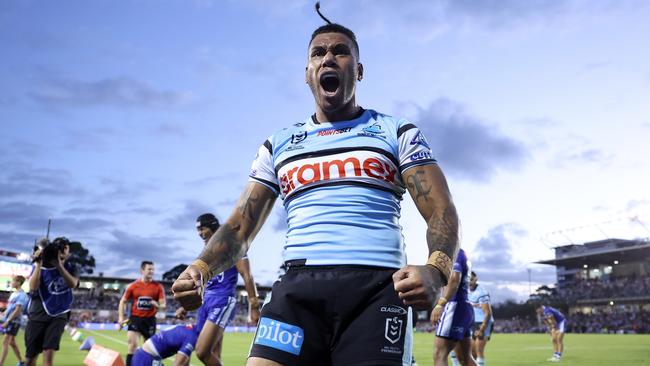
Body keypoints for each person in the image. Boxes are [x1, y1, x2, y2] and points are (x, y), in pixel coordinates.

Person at [172, 6, 460, 366]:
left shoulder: (397, 132)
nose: (329, 58)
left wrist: (436, 270)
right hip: (298, 289)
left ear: (359, 70)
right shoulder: (278, 144)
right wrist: (199, 269)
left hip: (376, 291)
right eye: (318, 53)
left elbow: (441, 210)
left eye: (340, 51)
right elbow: (239, 227)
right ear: (307, 74)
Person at [174, 213, 261, 366]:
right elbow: (203, 282)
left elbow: (247, 275)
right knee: (214, 353)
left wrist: (254, 306)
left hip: (222, 299)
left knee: (202, 351)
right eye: (198, 230)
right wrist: (185, 307)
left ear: (212, 227)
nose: (200, 233)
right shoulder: (206, 251)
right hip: (206, 301)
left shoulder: (232, 244)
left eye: (203, 229)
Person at [24, 237, 79, 366]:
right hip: (37, 314)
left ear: (68, 252)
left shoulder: (71, 267)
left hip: (59, 314)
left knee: (48, 356)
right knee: (30, 359)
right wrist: (38, 264)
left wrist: (59, 265)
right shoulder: (41, 266)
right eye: (60, 247)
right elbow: (33, 287)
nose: (63, 250)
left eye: (66, 247)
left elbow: (73, 284)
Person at [430, 249, 476, 366]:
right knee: (465, 358)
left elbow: (454, 279)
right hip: (465, 306)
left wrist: (441, 304)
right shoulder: (463, 253)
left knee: (440, 354)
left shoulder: (453, 252)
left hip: (454, 307)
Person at [119, 261, 166, 366]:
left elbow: (163, 305)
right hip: (135, 319)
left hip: (150, 320)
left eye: (153, 269)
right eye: (149, 269)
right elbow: (123, 301)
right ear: (142, 270)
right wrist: (121, 318)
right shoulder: (133, 286)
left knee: (149, 349)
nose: (152, 271)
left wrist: (156, 304)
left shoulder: (158, 287)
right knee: (132, 345)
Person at [131, 324, 198, 366]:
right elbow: (178, 363)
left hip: (147, 357)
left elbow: (185, 360)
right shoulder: (193, 337)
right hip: (146, 359)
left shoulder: (193, 330)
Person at [0, 275, 29, 366]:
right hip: (9, 320)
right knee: (12, 342)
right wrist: (3, 314)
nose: (11, 283)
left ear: (18, 283)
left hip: (14, 322)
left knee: (5, 342)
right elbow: (10, 308)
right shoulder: (13, 294)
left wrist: (7, 321)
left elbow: (17, 310)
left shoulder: (22, 295)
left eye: (13, 281)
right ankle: (21, 361)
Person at [468, 271, 493, 366]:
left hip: (483, 322)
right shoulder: (466, 291)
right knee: (472, 352)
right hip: (472, 322)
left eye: (471, 279)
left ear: (476, 279)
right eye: (468, 280)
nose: (470, 282)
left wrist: (482, 328)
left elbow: (488, 313)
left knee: (479, 350)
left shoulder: (482, 292)